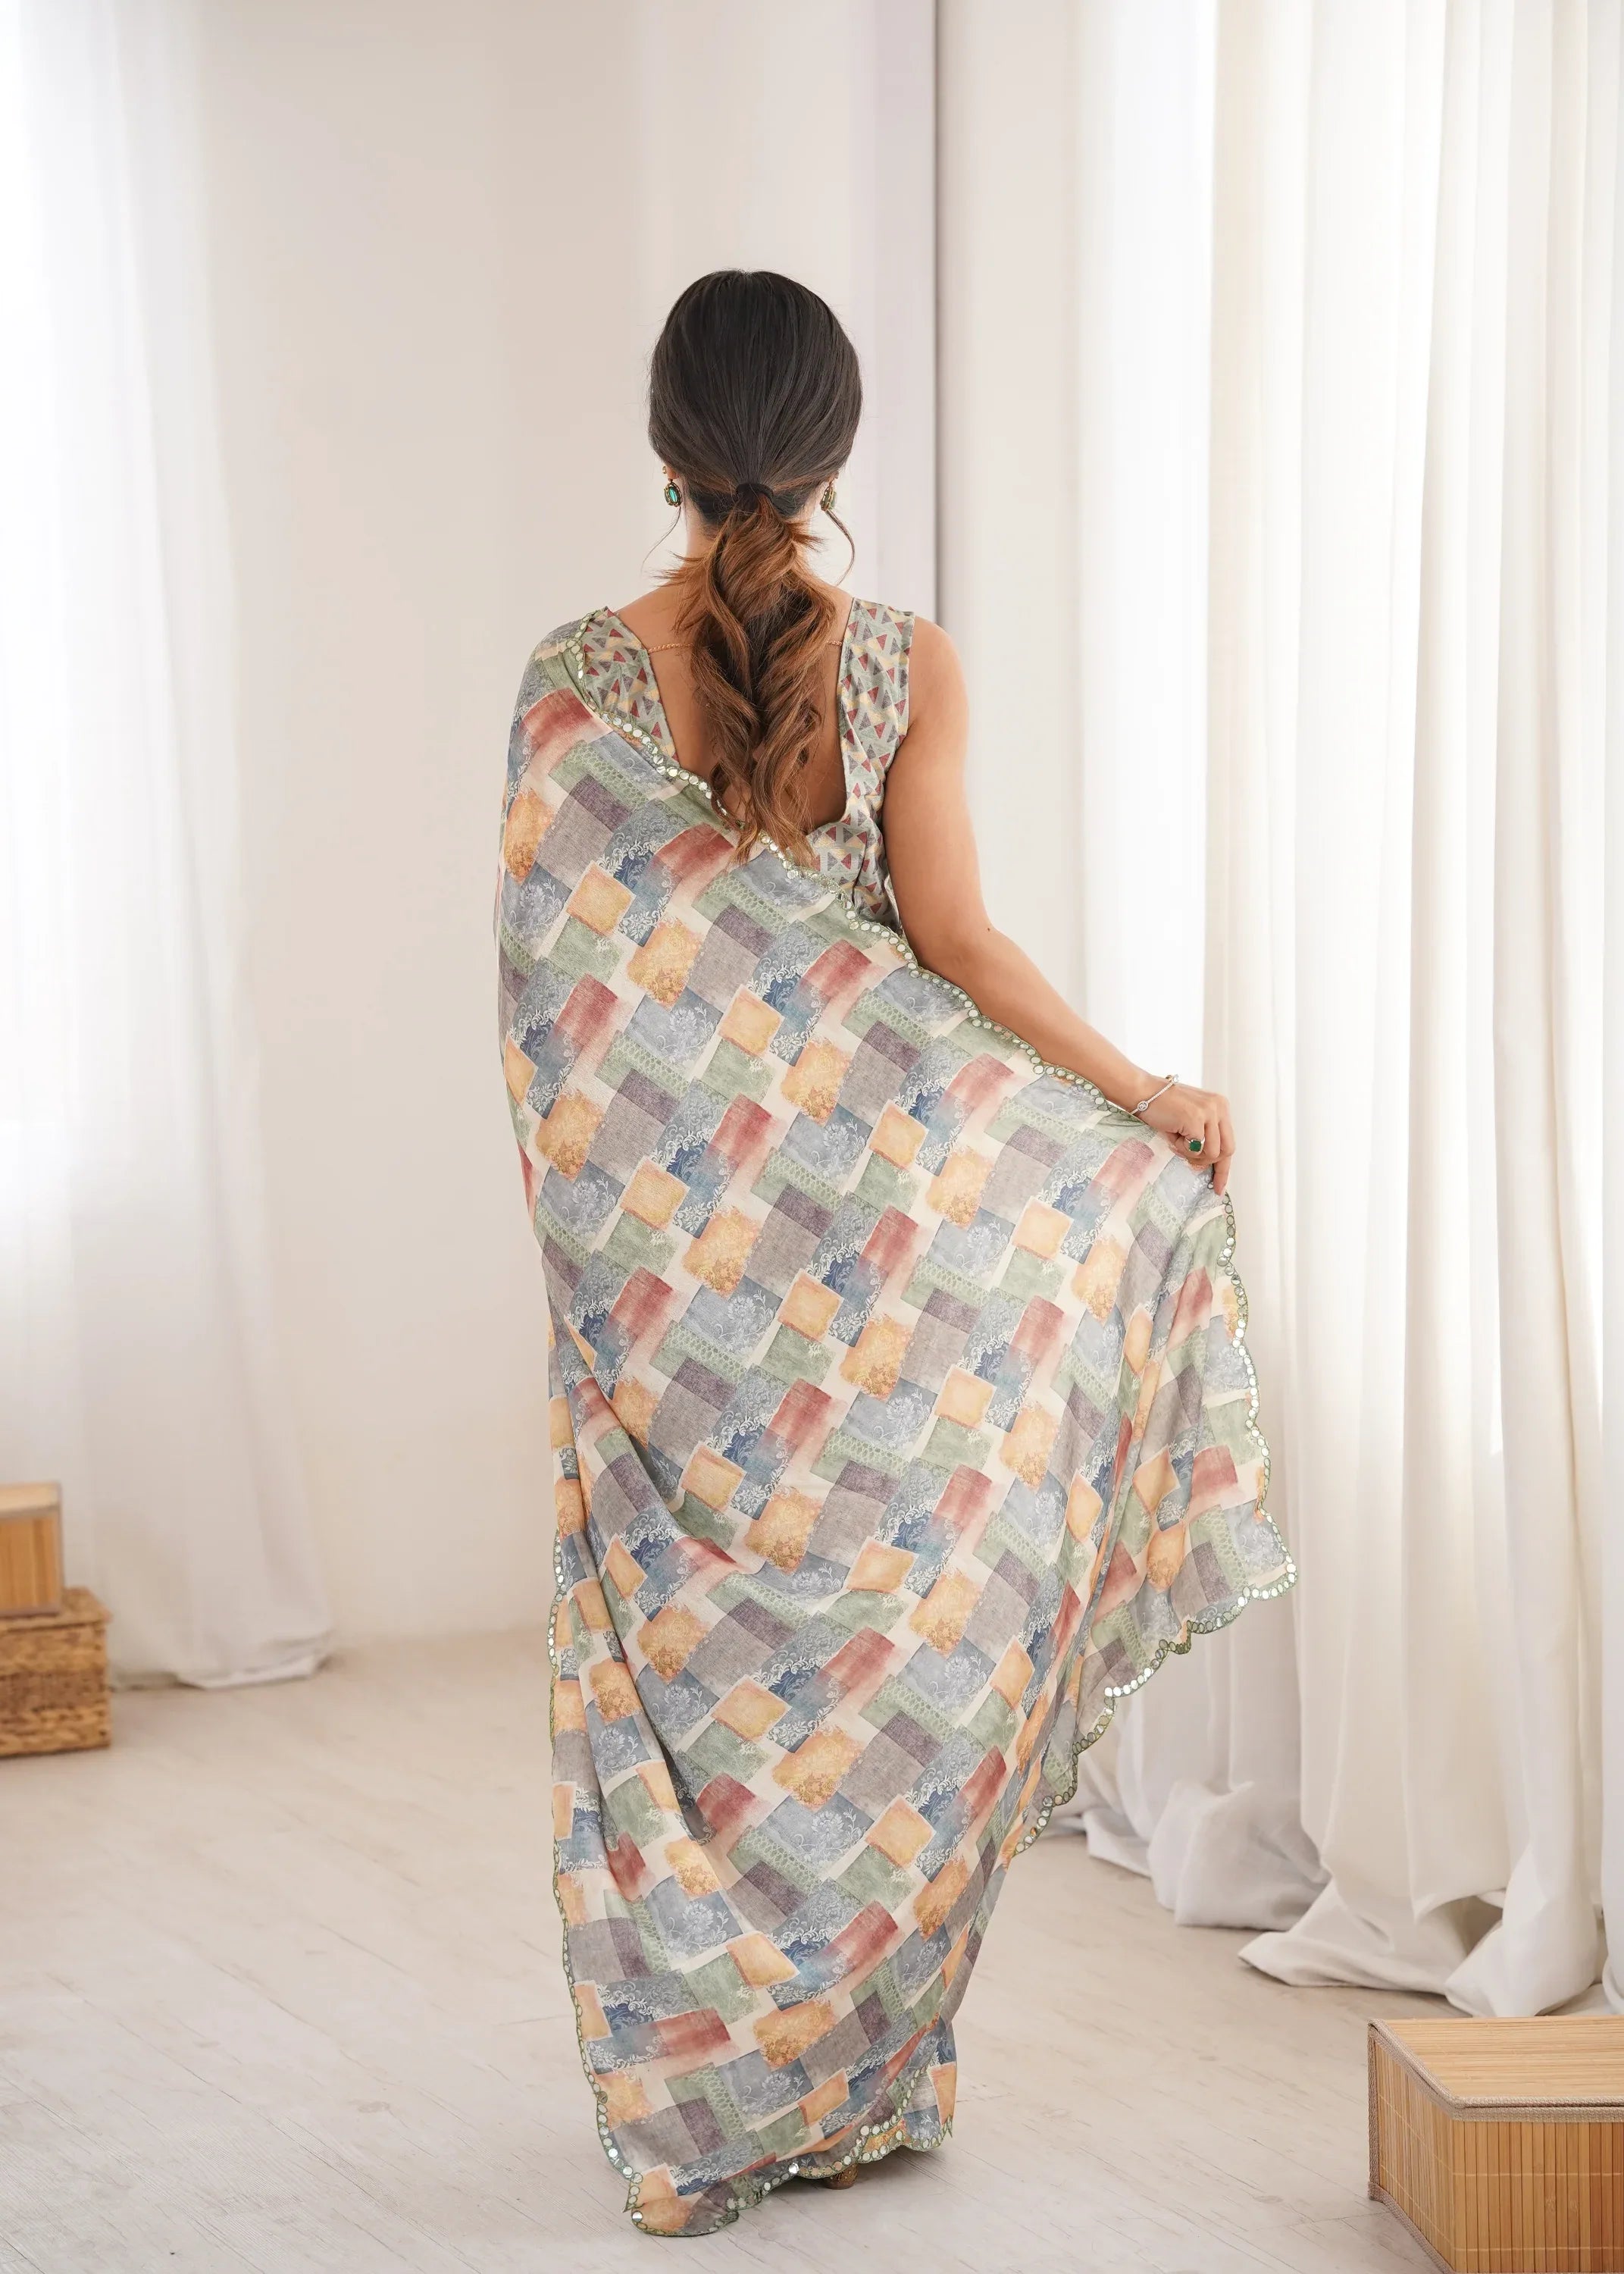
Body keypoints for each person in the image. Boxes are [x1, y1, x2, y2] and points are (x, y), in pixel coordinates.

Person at [496, 270, 1294, 2238]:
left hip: (689, 1293)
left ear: (667, 445)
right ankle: (858, 2076)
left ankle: (715, 2104)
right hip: (894, 1274)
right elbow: (957, 948)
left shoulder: (574, 682)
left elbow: (561, 1019)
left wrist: (604, 1278)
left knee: (714, 1696)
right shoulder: (905, 665)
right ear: (836, 451)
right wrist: (1141, 1096)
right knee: (881, 1684)